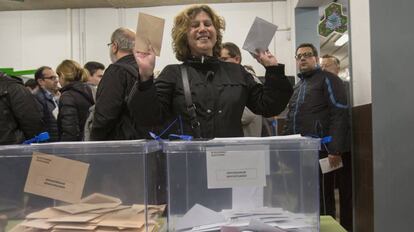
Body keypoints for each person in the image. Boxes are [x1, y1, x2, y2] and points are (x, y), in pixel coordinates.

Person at [129, 4, 293, 138]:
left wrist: (273, 69)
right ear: (184, 36)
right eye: (194, 26)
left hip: (231, 164)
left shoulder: (237, 72)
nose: (202, 29)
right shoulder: (173, 73)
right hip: (188, 163)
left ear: (216, 34)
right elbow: (148, 117)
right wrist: (145, 75)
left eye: (208, 24)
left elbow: (269, 107)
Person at [284, 43, 349, 218]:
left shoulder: (328, 79)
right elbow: (291, 118)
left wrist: (335, 149)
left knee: (323, 196)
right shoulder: (298, 87)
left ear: (315, 58)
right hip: (299, 152)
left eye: (307, 54)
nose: (303, 58)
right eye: (299, 56)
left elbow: (339, 112)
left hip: (322, 150)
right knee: (305, 195)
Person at [90, 27, 147, 140]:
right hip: (142, 140)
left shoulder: (116, 71)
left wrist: (94, 140)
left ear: (114, 46)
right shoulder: (144, 71)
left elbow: (105, 115)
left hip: (120, 144)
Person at [321, 54, 353, 231]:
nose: (324, 69)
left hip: (343, 149)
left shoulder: (345, 87)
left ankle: (347, 226)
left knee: (346, 190)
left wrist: (337, 148)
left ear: (337, 68)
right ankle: (329, 224)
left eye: (327, 66)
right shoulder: (321, 89)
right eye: (322, 66)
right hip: (325, 148)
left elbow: (343, 118)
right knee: (326, 191)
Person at [220, 42, 263, 137]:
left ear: (237, 59)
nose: (220, 63)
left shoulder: (249, 79)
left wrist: (218, 116)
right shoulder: (230, 80)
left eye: (224, 59)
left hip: (247, 144)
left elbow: (248, 114)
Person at [0, 72, 44, 145]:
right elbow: (32, 123)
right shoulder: (15, 88)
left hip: (13, 149)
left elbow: (31, 122)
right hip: (13, 149)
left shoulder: (13, 88)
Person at [56, 60, 94, 141]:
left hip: (75, 147)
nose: (58, 81)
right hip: (89, 141)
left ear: (63, 76)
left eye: (58, 76)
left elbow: (70, 131)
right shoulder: (90, 91)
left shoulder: (68, 96)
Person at [33, 66, 60, 142]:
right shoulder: (36, 98)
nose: (56, 81)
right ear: (41, 81)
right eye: (52, 78)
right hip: (48, 144)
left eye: (56, 77)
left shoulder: (53, 96)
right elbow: (39, 125)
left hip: (54, 141)